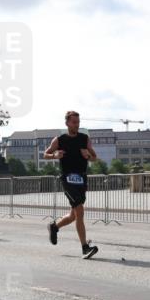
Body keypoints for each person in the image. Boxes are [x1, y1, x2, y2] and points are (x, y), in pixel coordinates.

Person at [45, 110, 98, 259]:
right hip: (67, 179)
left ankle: (54, 227)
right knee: (80, 210)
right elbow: (45, 154)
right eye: (74, 122)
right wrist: (54, 155)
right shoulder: (59, 140)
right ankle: (84, 248)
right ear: (67, 123)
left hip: (81, 178)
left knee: (74, 215)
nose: (77, 125)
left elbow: (94, 157)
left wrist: (88, 156)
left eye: (78, 122)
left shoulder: (84, 139)